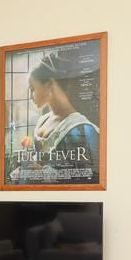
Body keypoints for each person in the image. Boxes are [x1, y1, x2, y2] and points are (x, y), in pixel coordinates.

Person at [27, 52, 100, 180]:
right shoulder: (42, 120)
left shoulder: (81, 129)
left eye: (32, 88)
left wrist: (41, 172)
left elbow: (90, 177)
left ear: (50, 84)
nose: (30, 96)